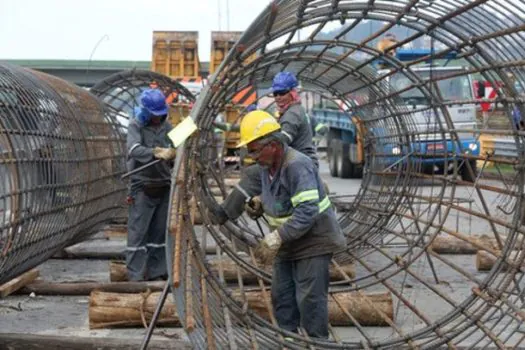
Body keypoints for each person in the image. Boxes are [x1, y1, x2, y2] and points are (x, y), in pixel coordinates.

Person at [234, 110, 345, 339]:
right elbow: (281, 196)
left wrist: (276, 238)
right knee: (282, 296)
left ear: (273, 145)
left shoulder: (297, 165)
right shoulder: (267, 166)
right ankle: (288, 342)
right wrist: (261, 203)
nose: (252, 156)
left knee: (310, 301)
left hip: (314, 241)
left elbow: (306, 212)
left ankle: (317, 343)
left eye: (254, 150)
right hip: (288, 241)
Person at [217, 72, 319, 220]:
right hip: (296, 162)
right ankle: (257, 202)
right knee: (259, 172)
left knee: (254, 174)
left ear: (292, 92)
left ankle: (224, 213)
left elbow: (282, 140)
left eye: (282, 93)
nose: (278, 97)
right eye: (275, 94)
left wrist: (262, 142)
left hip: (301, 166)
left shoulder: (292, 115)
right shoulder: (288, 112)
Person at [125, 88, 177, 281]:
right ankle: (136, 276)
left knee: (158, 234)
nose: (158, 119)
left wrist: (177, 151)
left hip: (163, 185)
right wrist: (155, 152)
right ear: (146, 112)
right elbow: (134, 149)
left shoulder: (167, 127)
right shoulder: (135, 125)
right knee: (138, 234)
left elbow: (179, 144)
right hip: (142, 187)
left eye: (161, 115)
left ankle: (157, 272)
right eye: (155, 116)